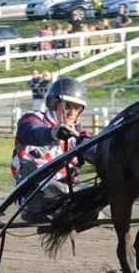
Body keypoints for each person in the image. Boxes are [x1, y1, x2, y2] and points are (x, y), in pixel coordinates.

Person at [11, 77, 90, 222]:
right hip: (30, 192)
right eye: (68, 106)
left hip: (66, 191)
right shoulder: (32, 119)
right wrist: (54, 133)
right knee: (43, 180)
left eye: (77, 108)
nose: (72, 112)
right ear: (54, 103)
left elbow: (97, 149)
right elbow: (33, 132)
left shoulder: (79, 135)